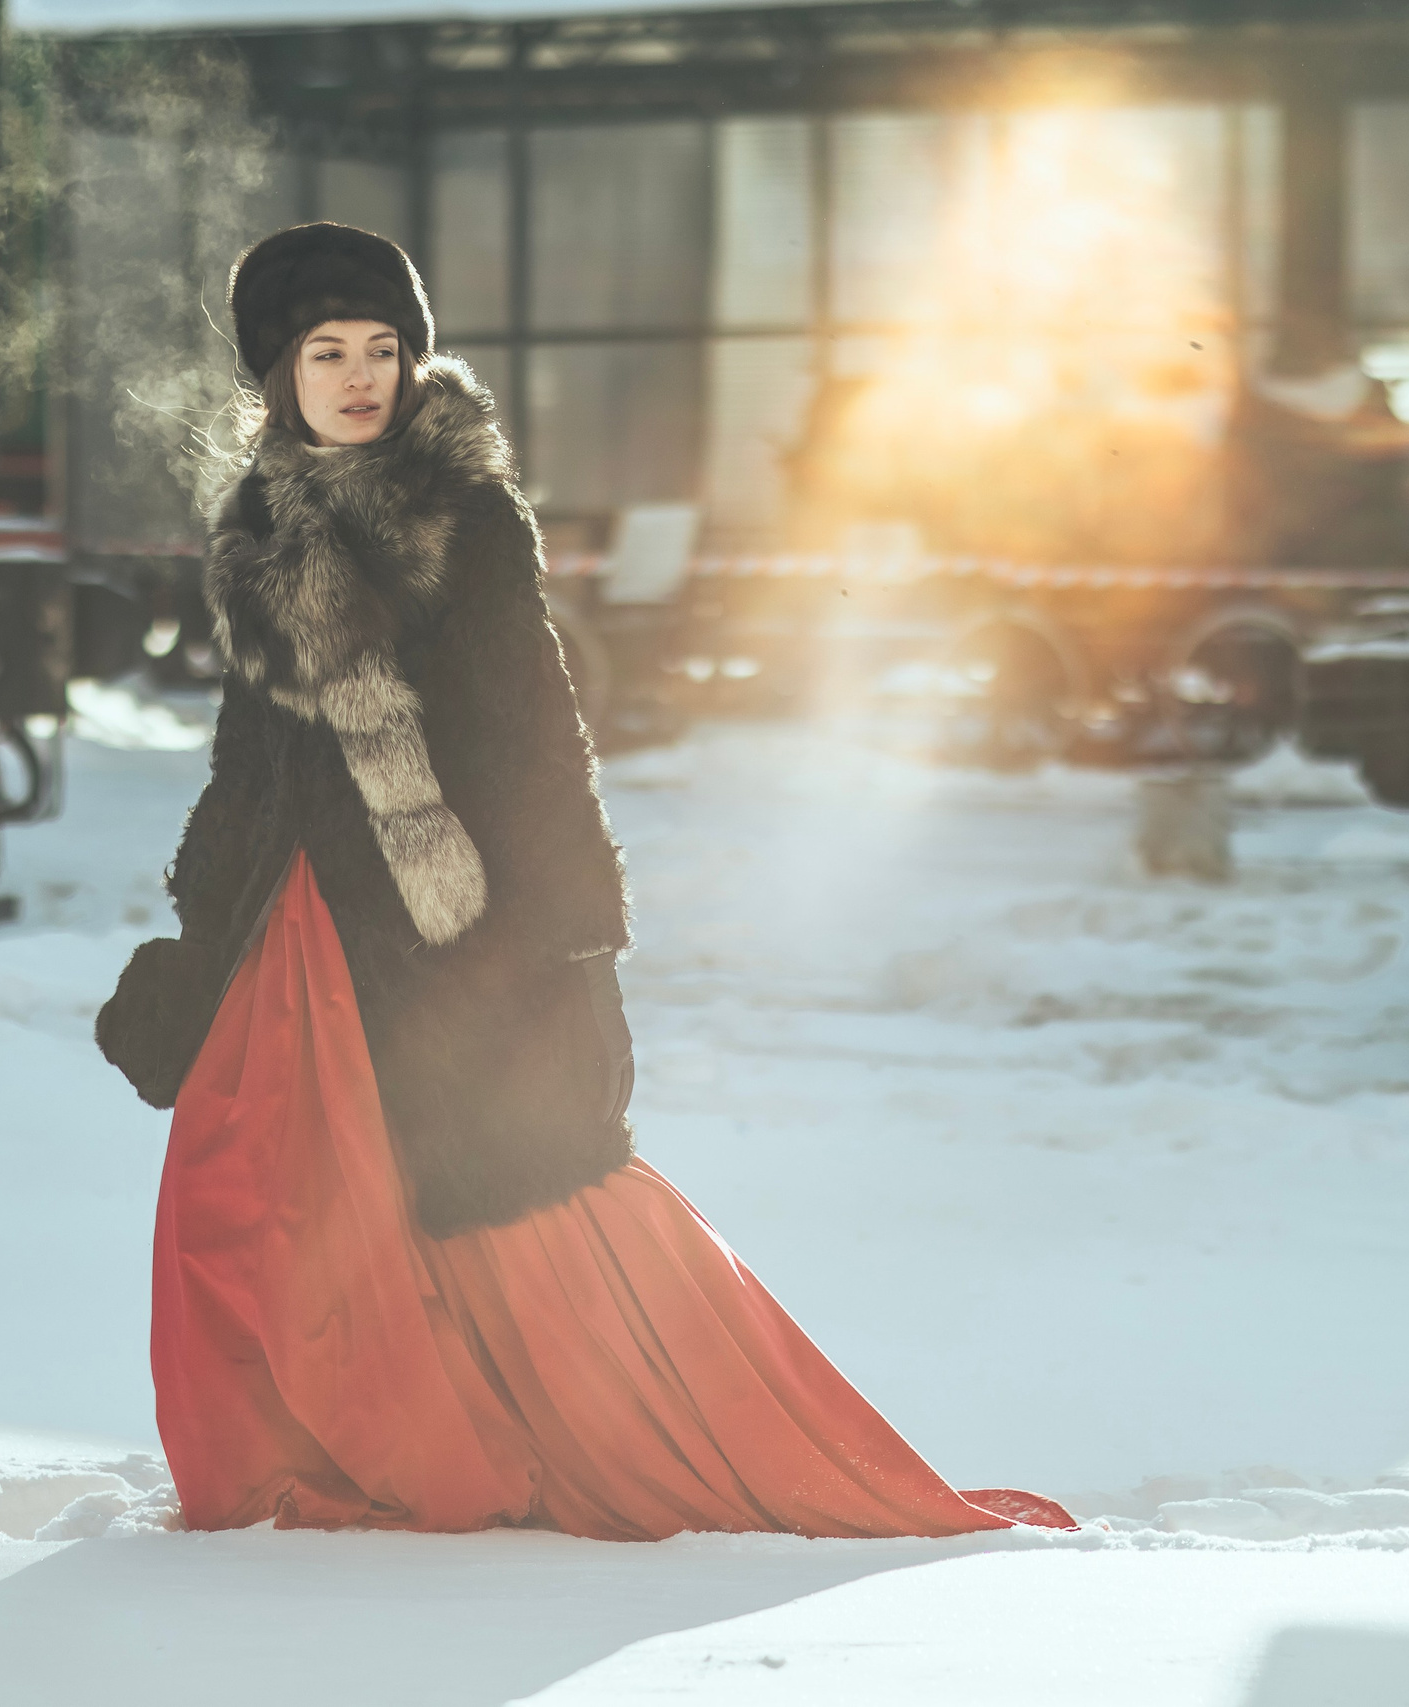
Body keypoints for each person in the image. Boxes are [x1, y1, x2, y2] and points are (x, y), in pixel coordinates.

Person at [97, 222, 1071, 1541]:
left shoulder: (466, 515)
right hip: (300, 925)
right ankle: (301, 1447)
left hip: (441, 928)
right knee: (240, 1187)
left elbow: (534, 731)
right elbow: (251, 753)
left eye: (384, 347)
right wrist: (200, 932)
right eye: (327, 351)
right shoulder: (263, 524)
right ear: (279, 371)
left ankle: (522, 1435)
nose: (361, 374)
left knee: (518, 1197)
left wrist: (566, 944)